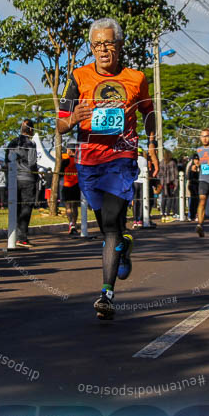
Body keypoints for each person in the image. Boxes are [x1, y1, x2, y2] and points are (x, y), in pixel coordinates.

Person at [56, 17, 158, 320]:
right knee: (108, 228)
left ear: (120, 45)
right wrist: (73, 118)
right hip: (88, 163)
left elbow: (150, 114)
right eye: (97, 44)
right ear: (91, 47)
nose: (103, 50)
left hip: (121, 159)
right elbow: (60, 123)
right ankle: (123, 245)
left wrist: (152, 146)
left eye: (108, 43)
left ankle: (106, 294)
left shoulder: (137, 78)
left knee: (112, 223)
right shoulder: (77, 76)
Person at [6, 119, 38, 249]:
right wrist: (36, 173)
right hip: (27, 178)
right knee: (26, 208)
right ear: (30, 129)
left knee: (15, 208)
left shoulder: (12, 142)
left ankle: (12, 236)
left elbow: (6, 161)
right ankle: (22, 238)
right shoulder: (30, 143)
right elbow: (32, 162)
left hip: (14, 179)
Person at [60, 147, 81, 234]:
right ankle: (74, 224)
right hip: (76, 185)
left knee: (68, 206)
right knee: (75, 206)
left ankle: (71, 224)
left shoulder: (65, 161)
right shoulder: (78, 161)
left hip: (67, 185)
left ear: (69, 150)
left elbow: (60, 172)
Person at [158, 150, 178, 222]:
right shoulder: (172, 163)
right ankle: (168, 214)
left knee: (163, 199)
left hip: (163, 183)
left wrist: (161, 181)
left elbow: (159, 174)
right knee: (170, 198)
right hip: (170, 183)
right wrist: (176, 183)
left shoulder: (162, 162)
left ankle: (163, 214)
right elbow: (175, 174)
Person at [187, 155, 200, 221]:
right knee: (193, 200)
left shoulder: (200, 167)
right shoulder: (192, 166)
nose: (197, 161)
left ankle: (196, 214)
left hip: (198, 186)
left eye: (198, 160)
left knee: (198, 201)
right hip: (193, 185)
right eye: (195, 160)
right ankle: (192, 215)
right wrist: (193, 171)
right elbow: (190, 177)